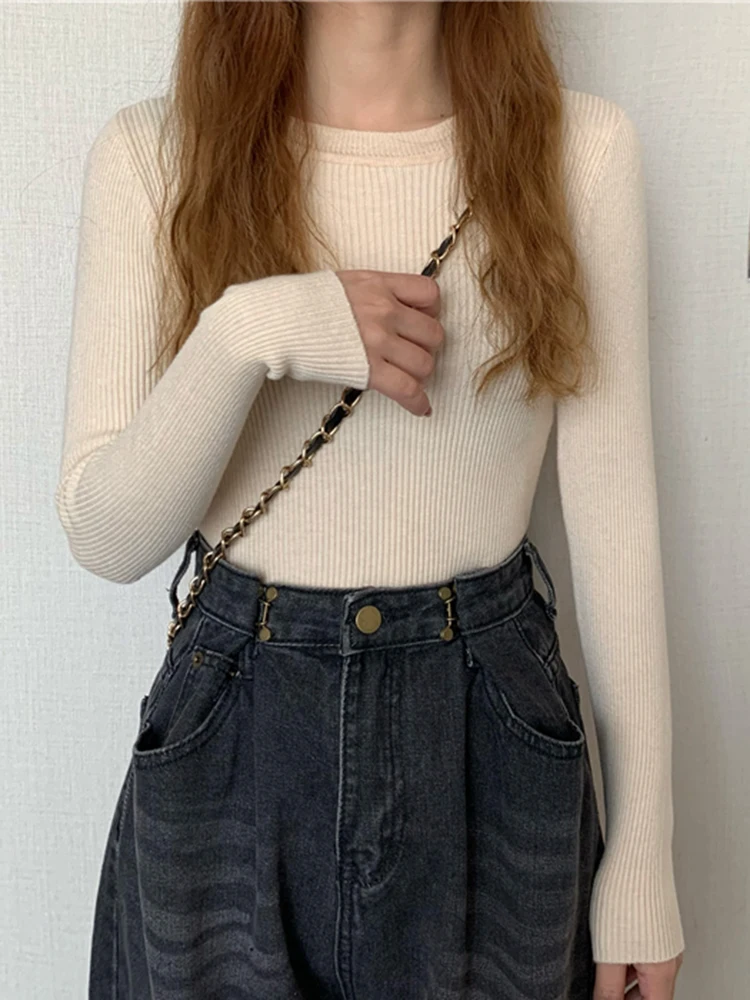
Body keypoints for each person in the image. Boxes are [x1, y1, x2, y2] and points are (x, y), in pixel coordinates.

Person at [55, 2, 685, 998]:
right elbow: (106, 534)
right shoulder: (156, 156)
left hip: (489, 733)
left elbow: (619, 533)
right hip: (234, 732)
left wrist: (643, 859)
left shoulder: (578, 153)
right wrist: (252, 331)